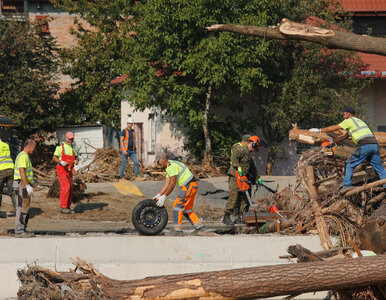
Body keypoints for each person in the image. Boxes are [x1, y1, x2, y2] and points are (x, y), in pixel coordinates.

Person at [309, 106, 386, 189]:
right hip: (374, 145)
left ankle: (346, 187)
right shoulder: (359, 122)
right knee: (380, 168)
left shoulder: (349, 121)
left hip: (364, 145)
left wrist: (319, 130)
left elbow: (334, 128)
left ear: (349, 114)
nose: (343, 116)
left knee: (349, 164)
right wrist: (331, 141)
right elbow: (344, 137)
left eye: (344, 114)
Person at [153, 153, 204, 236]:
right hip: (190, 186)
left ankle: (178, 230)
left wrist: (164, 196)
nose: (158, 164)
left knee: (178, 206)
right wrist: (159, 195)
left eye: (158, 162)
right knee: (186, 209)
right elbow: (167, 183)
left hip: (189, 186)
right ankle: (200, 228)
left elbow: (172, 183)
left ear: (163, 159)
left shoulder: (172, 166)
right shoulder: (169, 167)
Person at [222, 134, 260, 225]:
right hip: (235, 176)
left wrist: (258, 178)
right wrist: (238, 167)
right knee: (233, 196)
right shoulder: (240, 149)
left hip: (243, 177)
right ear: (252, 144)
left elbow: (252, 167)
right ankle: (226, 216)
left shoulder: (249, 154)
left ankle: (240, 216)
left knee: (244, 198)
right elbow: (234, 158)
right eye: (254, 148)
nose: (254, 150)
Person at [14, 139, 36, 238]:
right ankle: (19, 230)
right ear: (30, 146)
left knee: (25, 206)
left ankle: (22, 229)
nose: (34, 150)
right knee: (22, 206)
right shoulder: (23, 156)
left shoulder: (24, 156)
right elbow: (22, 172)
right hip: (22, 184)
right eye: (34, 148)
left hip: (23, 184)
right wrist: (27, 185)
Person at [52, 132, 79, 214]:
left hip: (70, 170)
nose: (71, 140)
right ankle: (63, 207)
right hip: (62, 170)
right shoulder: (60, 147)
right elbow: (54, 157)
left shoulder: (73, 147)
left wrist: (77, 160)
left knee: (70, 188)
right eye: (69, 138)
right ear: (66, 138)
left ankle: (67, 207)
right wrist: (61, 162)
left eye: (72, 138)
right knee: (66, 187)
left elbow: (76, 156)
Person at [0, 131, 16, 213]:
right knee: (11, 192)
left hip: (1, 171)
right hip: (10, 169)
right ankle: (17, 209)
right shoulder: (6, 145)